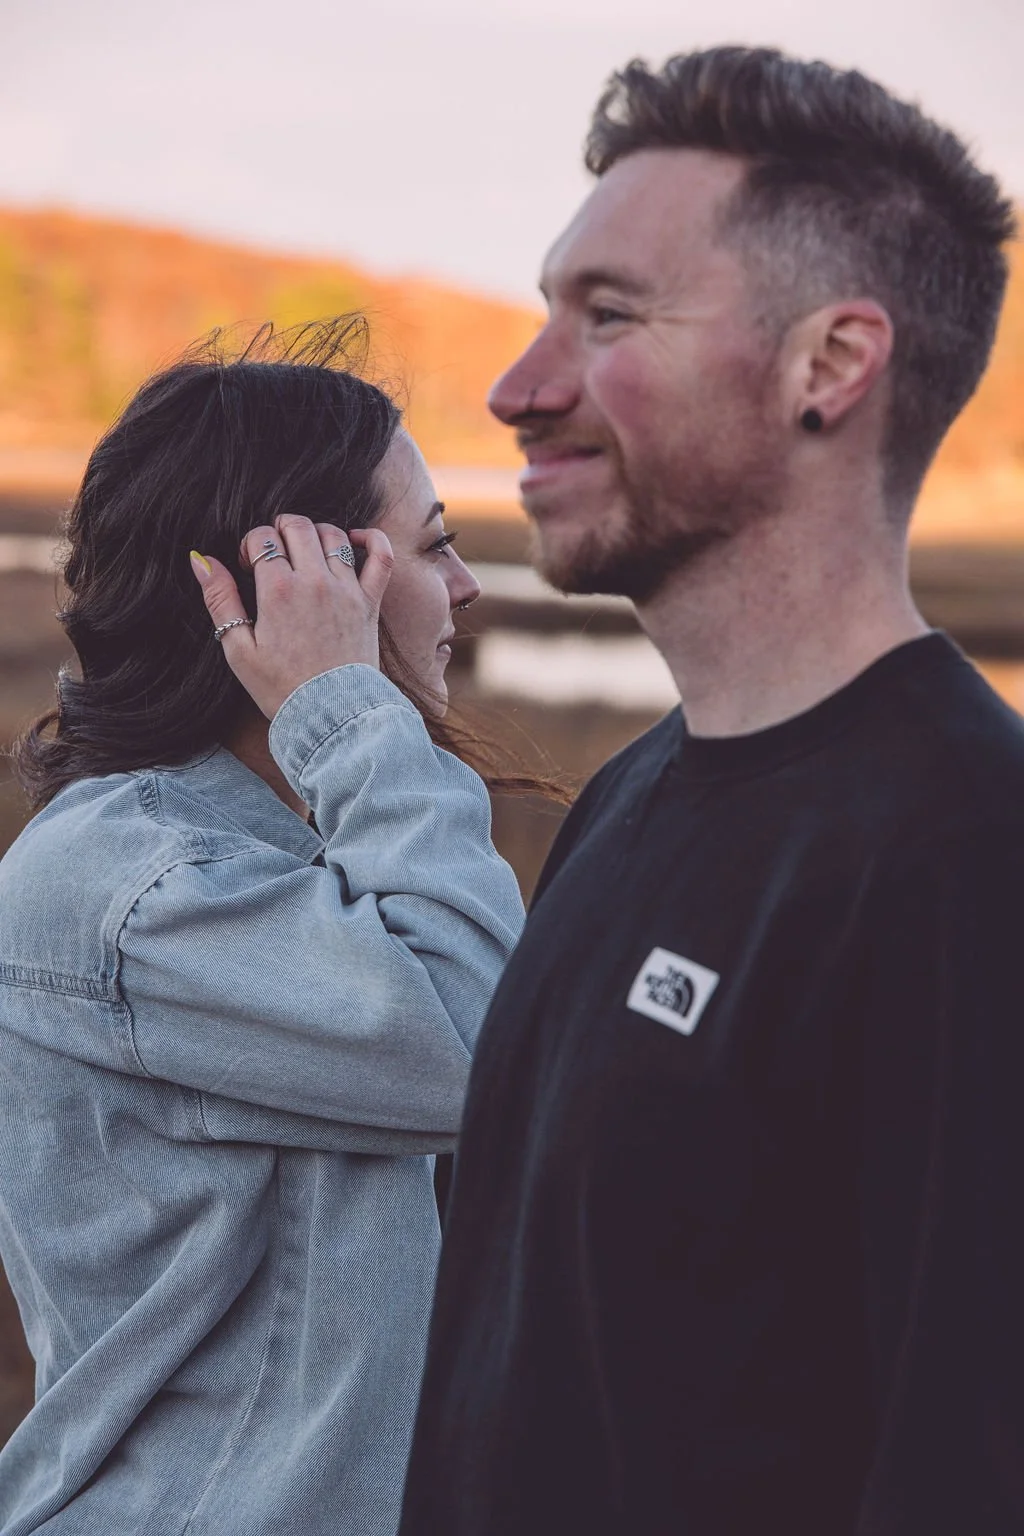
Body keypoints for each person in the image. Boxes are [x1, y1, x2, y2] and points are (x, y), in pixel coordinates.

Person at [399, 46, 1024, 1536]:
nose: (514, 389)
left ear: (831, 364)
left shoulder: (971, 855)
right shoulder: (623, 804)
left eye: (607, 316)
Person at [0, 321, 528, 1536]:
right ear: (296, 576)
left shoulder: (308, 846)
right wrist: (343, 703)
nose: (467, 589)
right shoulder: (134, 887)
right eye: (434, 546)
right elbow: (484, 1046)